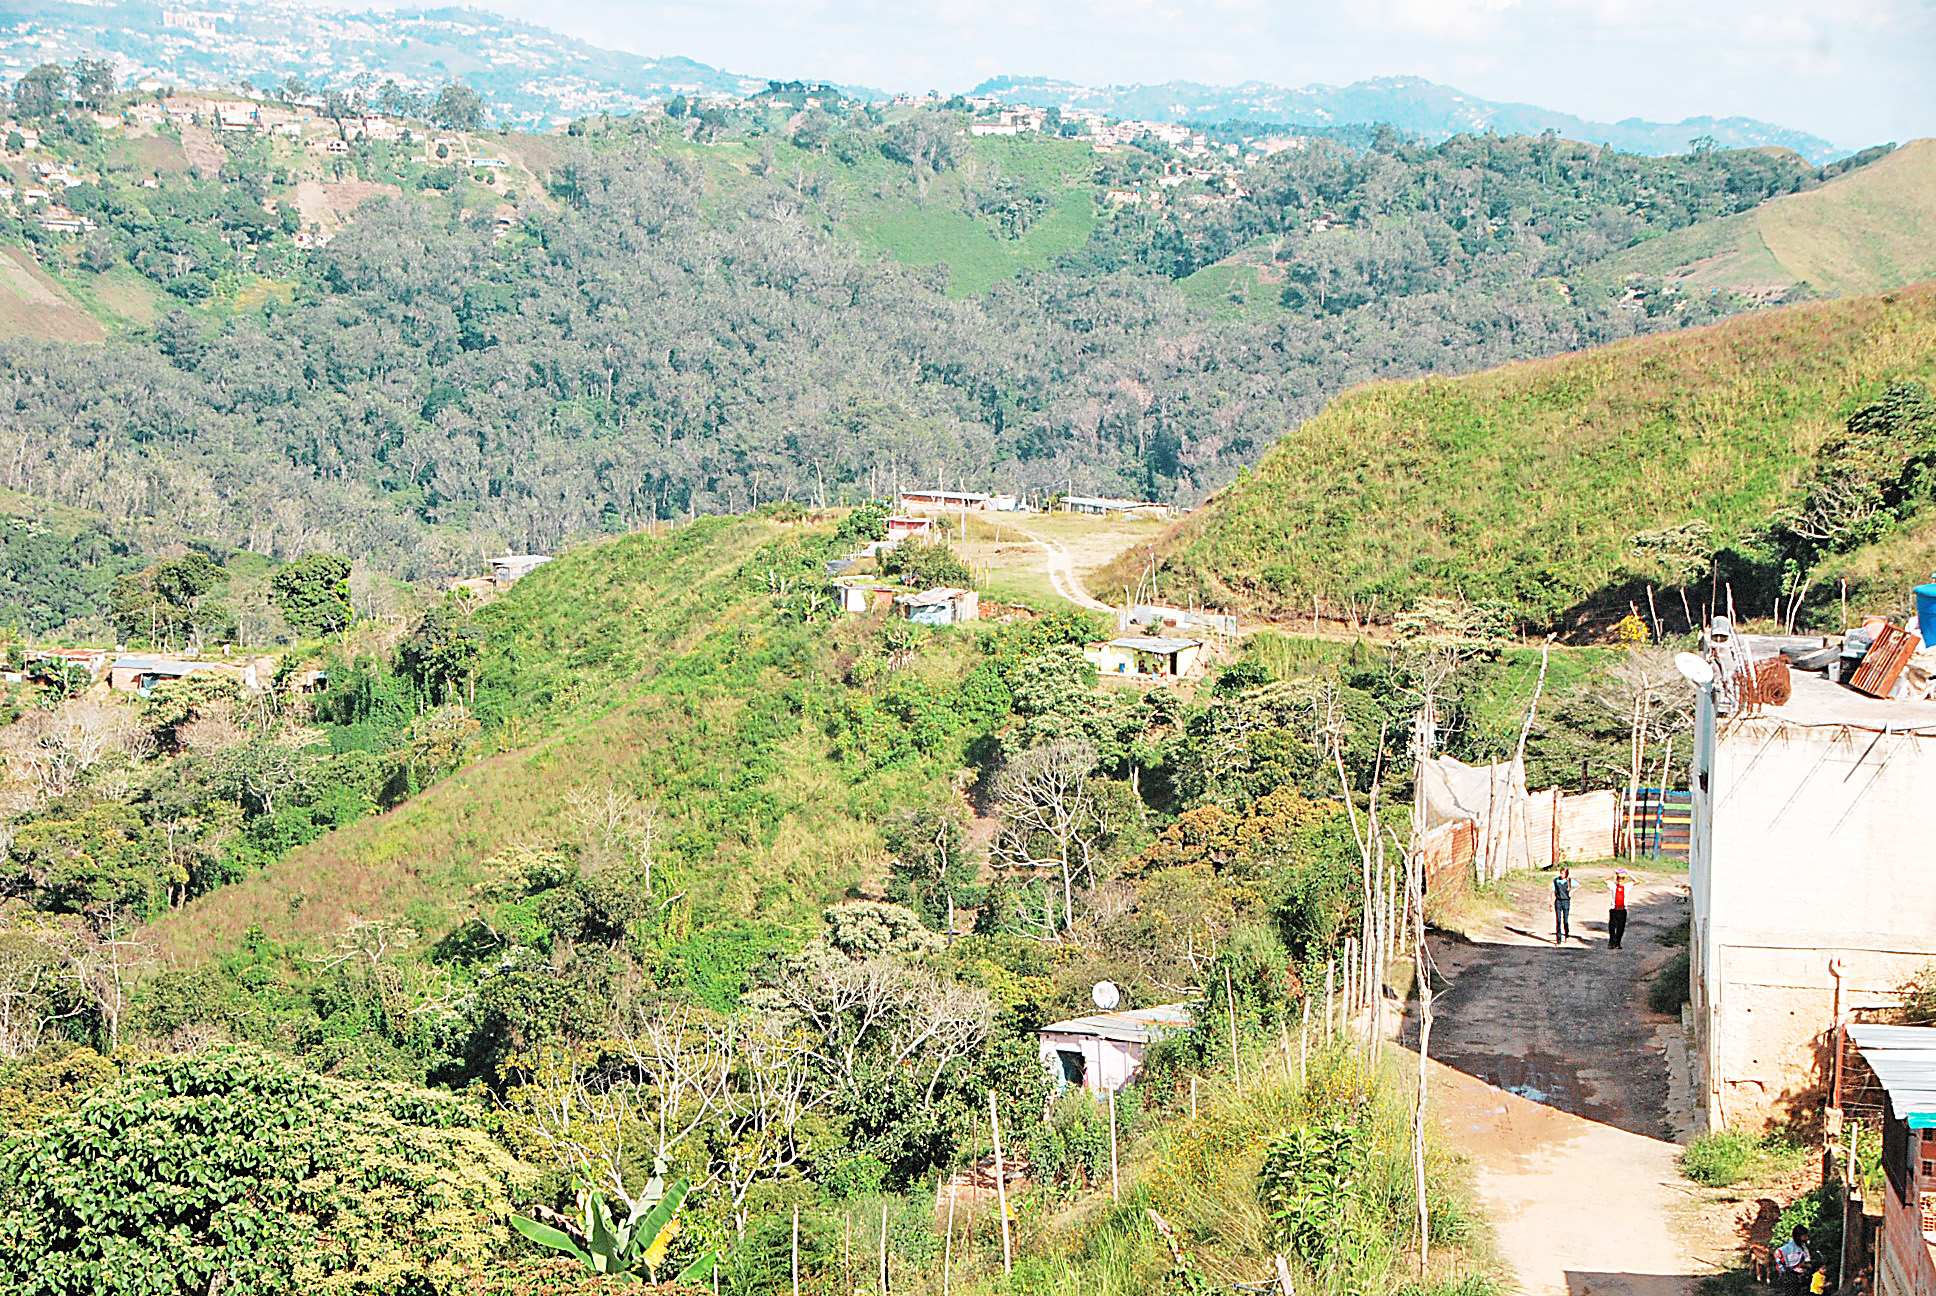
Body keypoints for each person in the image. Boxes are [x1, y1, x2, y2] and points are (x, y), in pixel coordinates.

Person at [1773, 1226, 1811, 1296]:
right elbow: (1777, 1253)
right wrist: (1782, 1267)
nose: (1807, 1238)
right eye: (1805, 1236)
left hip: (1798, 1274)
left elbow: (1806, 1259)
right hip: (1790, 1275)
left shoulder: (1802, 1246)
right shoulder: (1790, 1247)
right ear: (1798, 1236)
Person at [1607, 869, 1630, 949]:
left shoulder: (1626, 886)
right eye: (1619, 879)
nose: (1620, 881)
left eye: (1622, 879)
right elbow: (1605, 880)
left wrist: (1628, 873)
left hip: (1623, 909)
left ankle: (1618, 943)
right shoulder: (1613, 886)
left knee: (1621, 927)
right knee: (1612, 926)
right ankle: (1611, 942)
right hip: (1614, 909)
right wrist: (1613, 874)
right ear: (1617, 879)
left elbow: (1636, 881)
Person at [1552, 867, 1573, 943]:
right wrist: (1551, 903)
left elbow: (1578, 885)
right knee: (1558, 920)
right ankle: (1559, 938)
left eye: (1563, 873)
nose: (1561, 874)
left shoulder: (1569, 881)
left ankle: (1566, 934)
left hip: (1566, 901)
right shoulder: (1556, 881)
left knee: (1565, 920)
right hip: (1558, 901)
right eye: (1561, 873)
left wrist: (1571, 892)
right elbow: (1553, 892)